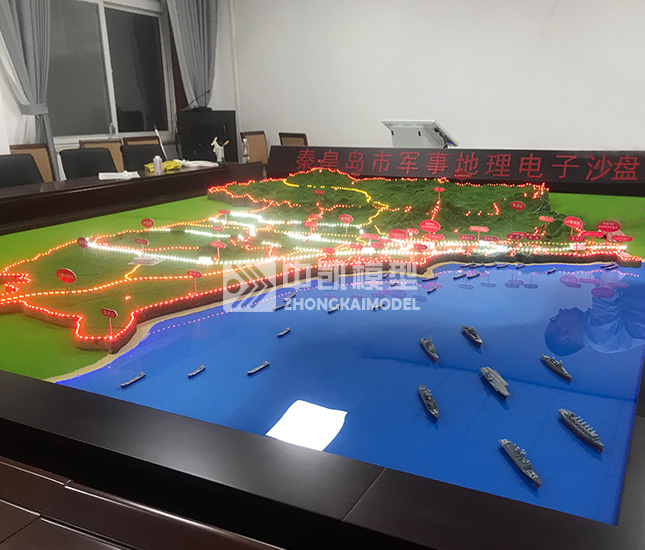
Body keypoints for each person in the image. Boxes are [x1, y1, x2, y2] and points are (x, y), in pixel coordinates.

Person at [545, 274, 645, 355]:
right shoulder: (598, 335)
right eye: (555, 319)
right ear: (565, 333)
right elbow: (608, 287)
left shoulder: (599, 339)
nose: (560, 311)